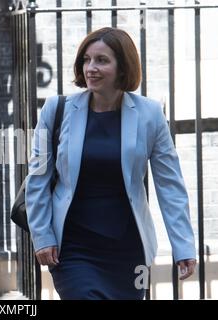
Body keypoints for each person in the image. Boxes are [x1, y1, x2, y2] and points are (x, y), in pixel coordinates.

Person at [25, 27, 196, 300]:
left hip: (127, 249)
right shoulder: (56, 110)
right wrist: (42, 236)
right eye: (86, 60)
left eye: (102, 60)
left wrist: (184, 245)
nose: (91, 68)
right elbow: (38, 178)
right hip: (73, 246)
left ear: (123, 67)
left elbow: (170, 185)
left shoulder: (150, 114)